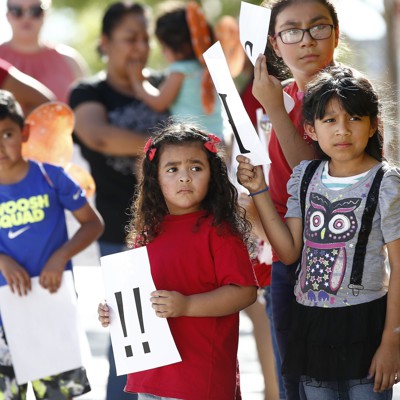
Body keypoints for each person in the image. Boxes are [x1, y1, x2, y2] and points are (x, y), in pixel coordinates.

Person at [237, 65, 400, 399]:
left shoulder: (387, 183)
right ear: (310, 129)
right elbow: (289, 253)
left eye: (354, 118)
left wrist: (392, 341)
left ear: (373, 125)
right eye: (329, 120)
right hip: (311, 328)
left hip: (366, 327)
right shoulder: (305, 177)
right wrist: (259, 191)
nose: (342, 130)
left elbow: (399, 268)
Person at [98, 123, 258, 400]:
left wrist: (187, 305)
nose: (184, 177)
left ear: (213, 175)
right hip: (150, 375)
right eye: (172, 169)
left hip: (198, 378)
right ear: (155, 178)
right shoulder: (147, 232)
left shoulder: (219, 230)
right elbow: (138, 294)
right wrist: (114, 310)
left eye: (196, 168)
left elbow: (244, 292)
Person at [68, 2, 169, 398]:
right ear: (105, 43)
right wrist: (170, 147)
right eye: (130, 38)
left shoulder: (165, 87)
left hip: (175, 230)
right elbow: (98, 136)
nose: (140, 48)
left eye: (145, 38)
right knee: (128, 344)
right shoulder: (88, 91)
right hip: (119, 234)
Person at [250, 1, 341, 398]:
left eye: (318, 28)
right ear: (274, 42)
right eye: (291, 31)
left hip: (332, 254)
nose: (306, 41)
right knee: (293, 380)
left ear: (336, 33)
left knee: (329, 378)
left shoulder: (347, 95)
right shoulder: (281, 94)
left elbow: (318, 178)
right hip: (287, 253)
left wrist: (273, 108)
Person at [0, 90, 104, 399]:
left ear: (25, 132)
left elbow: (93, 223)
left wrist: (61, 256)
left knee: (58, 395)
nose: (1, 144)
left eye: (7, 133)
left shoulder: (50, 177)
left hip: (51, 306)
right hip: (3, 316)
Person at [130, 1, 226, 140]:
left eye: (164, 47)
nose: (163, 52)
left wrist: (138, 83)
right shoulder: (207, 67)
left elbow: (160, 102)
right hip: (219, 137)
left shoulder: (180, 71)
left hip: (194, 140)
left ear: (180, 48)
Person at [0, 0, 88, 102]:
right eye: (17, 11)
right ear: (7, 15)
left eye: (35, 11)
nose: (26, 17)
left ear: (46, 13)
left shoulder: (70, 60)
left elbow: (83, 107)